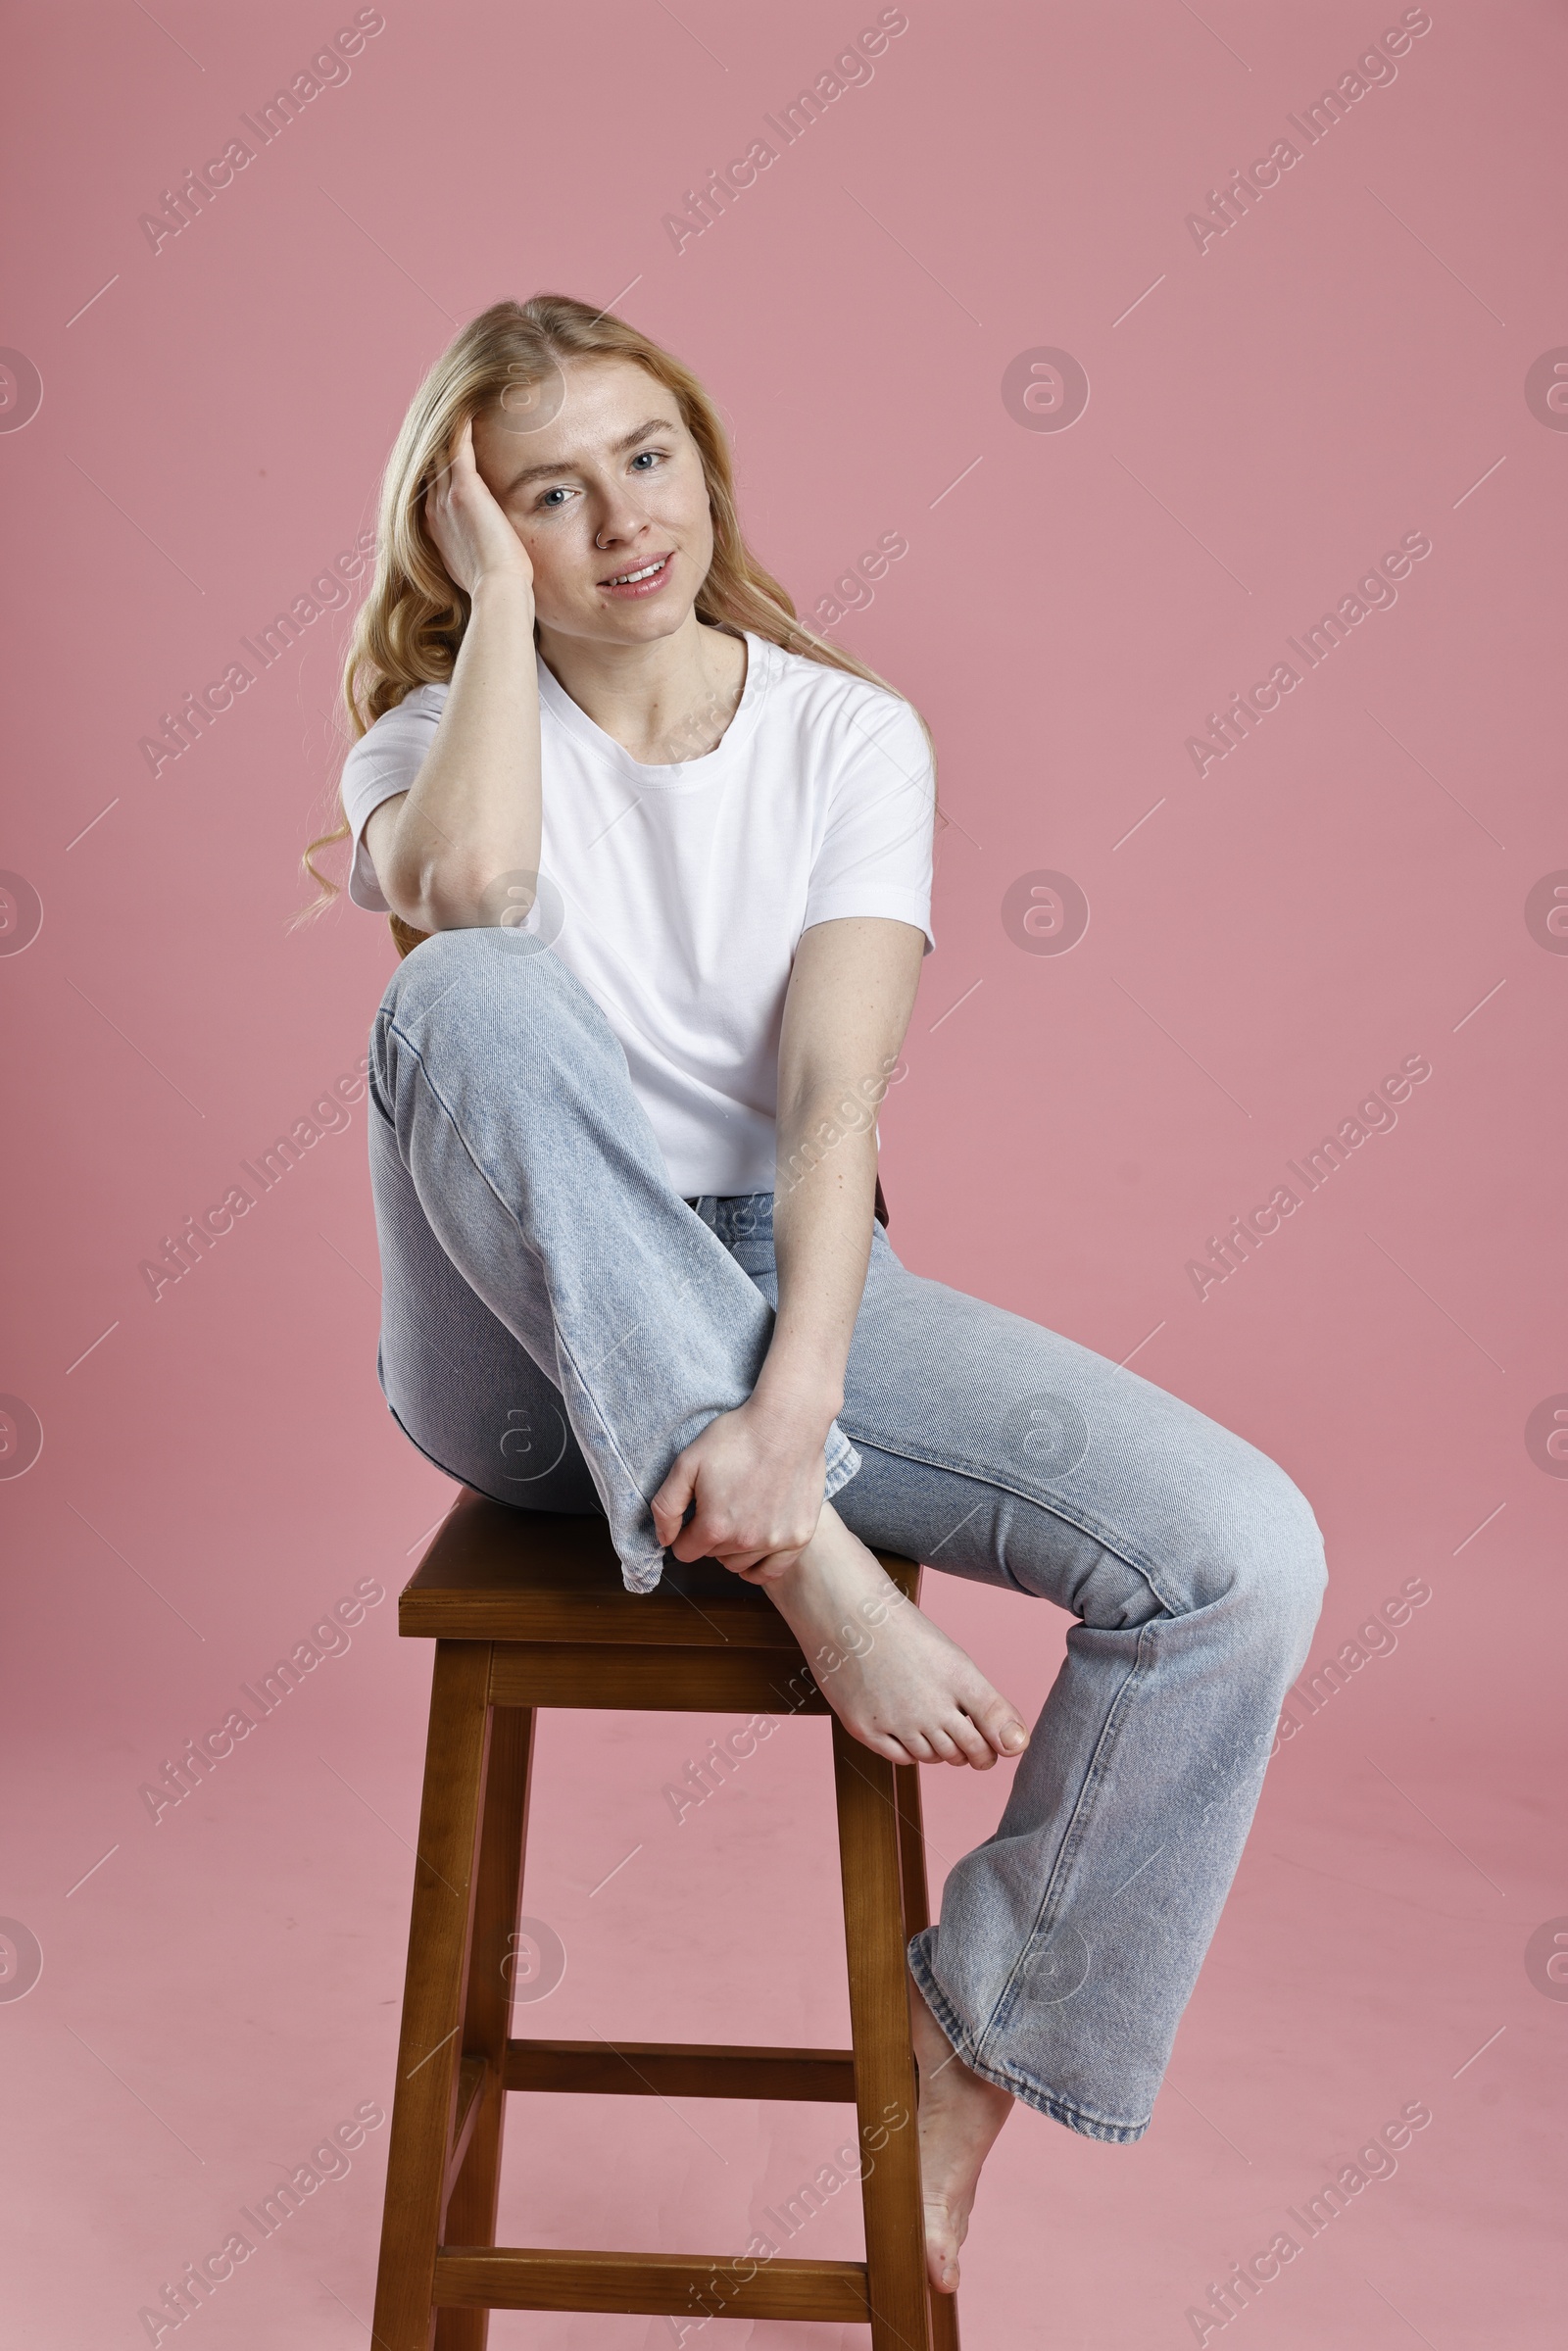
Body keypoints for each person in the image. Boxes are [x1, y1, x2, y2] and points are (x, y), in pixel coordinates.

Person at [304, 293, 1327, 2294]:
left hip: (782, 1267)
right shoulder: (428, 746)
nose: (618, 520)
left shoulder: (848, 731)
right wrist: (496, 627)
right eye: (543, 494)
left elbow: (832, 1101)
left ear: (705, 452)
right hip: (509, 1350)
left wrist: (791, 1412)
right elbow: (478, 899)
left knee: (1244, 1555)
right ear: (470, 531)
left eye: (645, 455)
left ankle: (976, 2036)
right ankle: (808, 1571)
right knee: (467, 987)